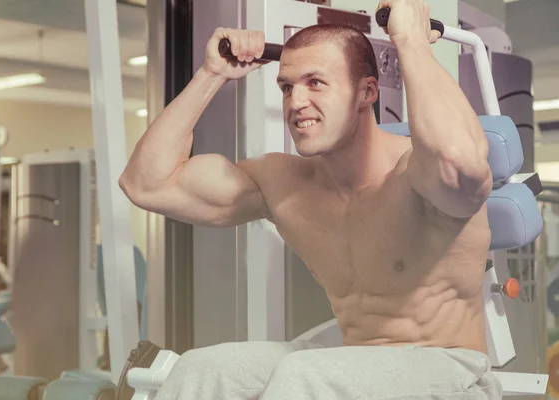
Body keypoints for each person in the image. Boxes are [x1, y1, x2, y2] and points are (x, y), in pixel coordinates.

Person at [119, 0, 502, 398]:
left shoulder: (418, 175)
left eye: (315, 82)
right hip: (353, 361)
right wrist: (210, 75)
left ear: (367, 91)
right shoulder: (286, 185)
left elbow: (460, 163)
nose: (296, 102)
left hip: (451, 370)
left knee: (306, 376)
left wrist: (411, 42)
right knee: (205, 369)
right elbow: (146, 183)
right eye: (287, 87)